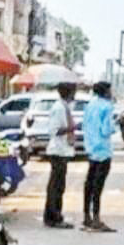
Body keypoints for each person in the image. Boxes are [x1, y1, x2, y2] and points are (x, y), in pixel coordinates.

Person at [82, 81, 116, 233]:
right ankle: (96, 217)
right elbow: (106, 130)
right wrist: (114, 128)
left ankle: (86, 216)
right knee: (98, 186)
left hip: (91, 147)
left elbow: (85, 125)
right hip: (103, 149)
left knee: (89, 183)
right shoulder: (107, 107)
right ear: (105, 92)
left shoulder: (90, 105)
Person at [43, 82, 77, 229]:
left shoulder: (64, 107)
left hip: (62, 150)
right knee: (56, 187)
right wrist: (71, 128)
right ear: (68, 92)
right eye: (73, 91)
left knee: (58, 186)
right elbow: (54, 130)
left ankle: (53, 215)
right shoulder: (59, 108)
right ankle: (54, 217)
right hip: (57, 150)